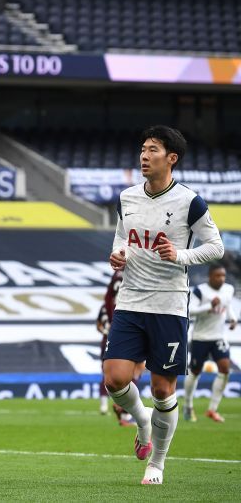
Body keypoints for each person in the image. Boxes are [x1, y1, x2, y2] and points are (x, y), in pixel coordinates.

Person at [104, 125, 224, 485]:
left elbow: (216, 247)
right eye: (142, 149)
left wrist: (180, 255)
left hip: (169, 305)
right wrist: (117, 253)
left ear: (171, 158)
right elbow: (122, 237)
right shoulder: (127, 197)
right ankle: (142, 422)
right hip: (130, 300)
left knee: (162, 389)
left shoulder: (190, 201)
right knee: (115, 378)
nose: (144, 155)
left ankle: (156, 463)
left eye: (152, 150)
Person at [183, 263, 237, 423]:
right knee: (195, 371)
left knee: (225, 369)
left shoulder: (228, 289)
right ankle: (188, 406)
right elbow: (190, 310)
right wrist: (209, 306)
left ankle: (212, 409)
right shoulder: (200, 291)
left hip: (219, 337)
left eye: (223, 276)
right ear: (210, 276)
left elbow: (227, 306)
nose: (221, 279)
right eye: (217, 276)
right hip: (200, 337)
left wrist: (232, 319)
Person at [96, 269, 144, 426]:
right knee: (135, 369)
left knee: (111, 372)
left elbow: (107, 297)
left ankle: (119, 410)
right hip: (130, 323)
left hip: (117, 329)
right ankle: (122, 409)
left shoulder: (116, 276)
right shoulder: (139, 271)